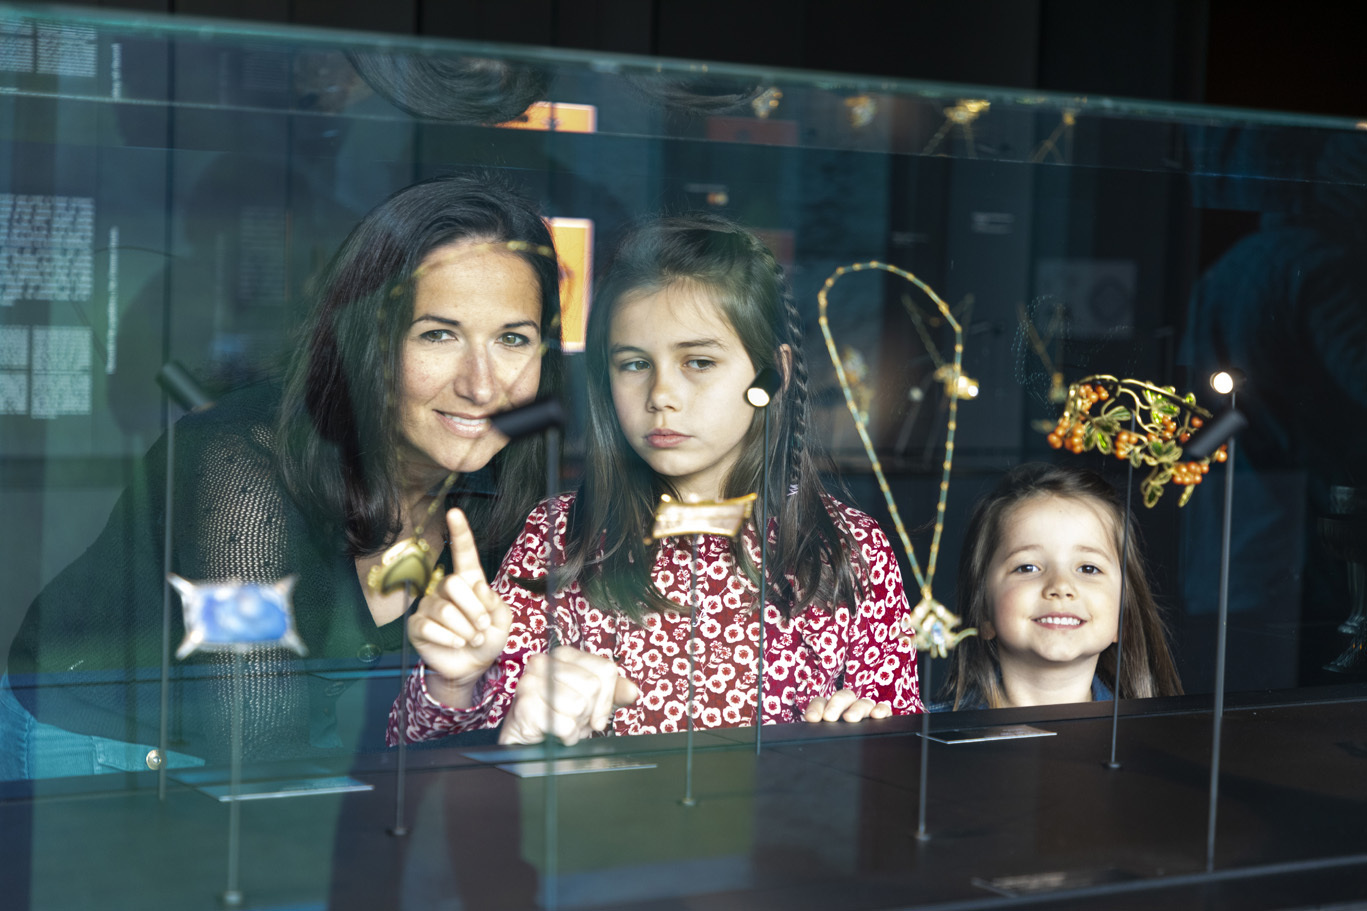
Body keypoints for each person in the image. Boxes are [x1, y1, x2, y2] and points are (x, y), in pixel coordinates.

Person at [2, 173, 563, 776]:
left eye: (512, 339)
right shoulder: (241, 464)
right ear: (367, 340)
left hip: (286, 745)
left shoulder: (503, 477)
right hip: (108, 739)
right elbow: (257, 739)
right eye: (438, 334)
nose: (481, 385)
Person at [389, 213, 923, 747]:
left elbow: (904, 752)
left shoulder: (849, 548)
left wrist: (866, 733)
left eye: (698, 362)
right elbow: (440, 770)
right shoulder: (557, 537)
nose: (661, 394)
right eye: (634, 364)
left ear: (773, 373)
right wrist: (454, 684)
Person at [937, 462, 1183, 710]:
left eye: (1088, 568)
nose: (1061, 586)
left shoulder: (1147, 741)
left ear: (1124, 614)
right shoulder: (920, 739)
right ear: (984, 611)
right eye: (1027, 567)